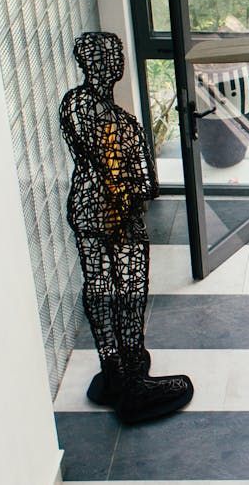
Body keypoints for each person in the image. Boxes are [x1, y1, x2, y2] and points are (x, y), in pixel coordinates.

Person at [60, 31, 193, 424]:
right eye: (114, 56)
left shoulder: (73, 105)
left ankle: (113, 366)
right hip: (119, 217)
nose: (118, 62)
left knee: (98, 285)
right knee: (130, 292)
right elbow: (144, 184)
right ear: (107, 64)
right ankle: (134, 381)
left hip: (85, 210)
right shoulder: (122, 123)